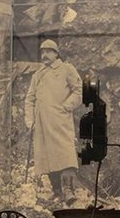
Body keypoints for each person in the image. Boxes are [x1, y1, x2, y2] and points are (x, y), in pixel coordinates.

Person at [24, 38, 82, 203]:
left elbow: (79, 90)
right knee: (47, 156)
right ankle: (57, 191)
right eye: (42, 51)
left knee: (65, 153)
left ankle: (69, 191)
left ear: (56, 53)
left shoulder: (66, 69)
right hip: (41, 123)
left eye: (48, 51)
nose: (45, 54)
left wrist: (66, 106)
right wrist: (30, 121)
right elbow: (29, 99)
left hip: (60, 120)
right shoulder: (38, 74)